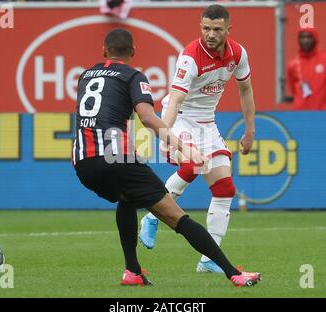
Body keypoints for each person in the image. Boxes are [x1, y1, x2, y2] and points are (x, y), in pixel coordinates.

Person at [73, 28, 261, 287]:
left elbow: (101, 118)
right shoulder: (133, 76)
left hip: (83, 161)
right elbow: (149, 118)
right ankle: (234, 274)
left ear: (104, 51)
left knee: (126, 199)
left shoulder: (85, 76)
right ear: (133, 52)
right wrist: (182, 146)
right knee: (178, 218)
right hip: (118, 158)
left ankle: (133, 272)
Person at [139, 4, 256, 274]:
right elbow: (176, 98)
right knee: (193, 164)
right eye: (205, 28)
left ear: (228, 29)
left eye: (216, 29)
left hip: (206, 122)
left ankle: (209, 259)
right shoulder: (190, 56)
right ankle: (151, 216)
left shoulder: (238, 54)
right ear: (200, 27)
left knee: (225, 188)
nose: (210, 34)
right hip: (179, 117)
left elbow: (246, 90)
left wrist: (250, 130)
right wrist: (164, 132)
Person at [287, 27, 326, 110]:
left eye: (309, 37)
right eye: (302, 37)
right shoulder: (292, 64)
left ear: (315, 39)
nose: (305, 40)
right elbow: (293, 89)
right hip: (301, 114)